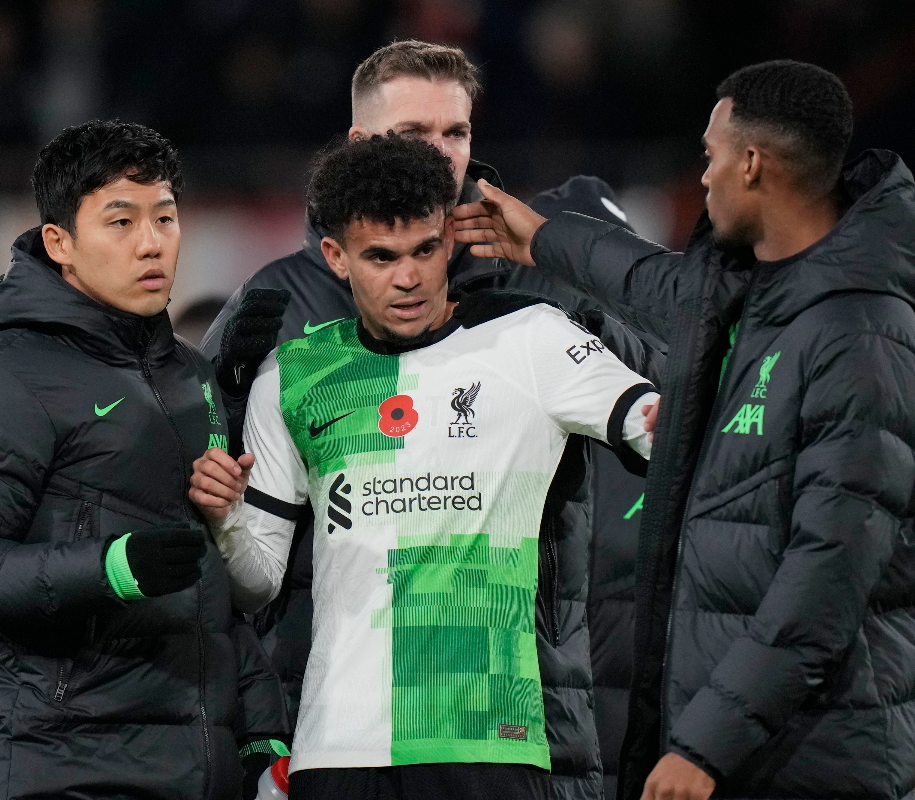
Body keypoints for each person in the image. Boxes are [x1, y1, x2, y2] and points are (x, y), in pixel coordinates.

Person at [453, 60, 915, 800]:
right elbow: (654, 282)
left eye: (712, 156)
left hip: (818, 758)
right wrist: (541, 238)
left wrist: (704, 746)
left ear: (752, 164)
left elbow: (828, 576)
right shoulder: (763, 292)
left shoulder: (861, 334)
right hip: (753, 748)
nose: (706, 176)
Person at [203, 39, 661, 800]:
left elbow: (667, 411)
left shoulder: (534, 311)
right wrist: (260, 736)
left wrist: (565, 257)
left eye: (457, 133)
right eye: (419, 135)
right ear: (339, 255)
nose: (444, 156)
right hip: (329, 731)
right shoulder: (283, 329)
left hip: (513, 714)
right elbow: (247, 560)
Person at [0, 120, 288, 800]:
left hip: (191, 769)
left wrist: (260, 734)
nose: (151, 243)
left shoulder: (191, 377)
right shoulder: (7, 379)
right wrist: (110, 569)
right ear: (61, 243)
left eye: (165, 218)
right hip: (56, 766)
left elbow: (206, 585)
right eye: (121, 221)